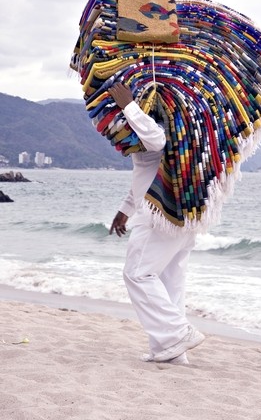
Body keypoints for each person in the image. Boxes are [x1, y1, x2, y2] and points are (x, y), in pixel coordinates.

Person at [109, 83, 205, 364]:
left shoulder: (158, 123)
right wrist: (125, 209)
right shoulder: (177, 126)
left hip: (160, 212)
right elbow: (146, 169)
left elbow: (157, 141)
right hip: (181, 212)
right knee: (170, 282)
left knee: (137, 274)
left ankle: (177, 333)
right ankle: (171, 352)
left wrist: (128, 105)